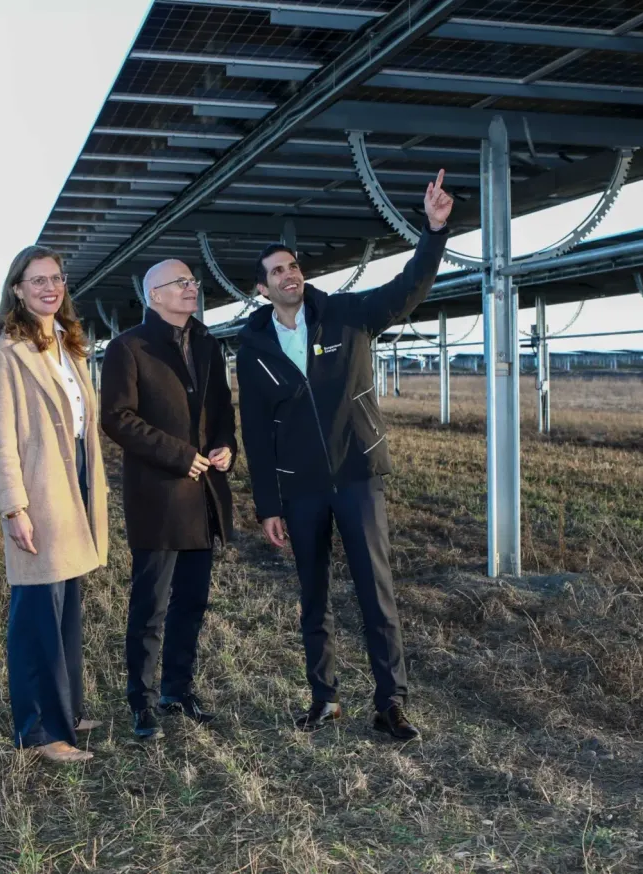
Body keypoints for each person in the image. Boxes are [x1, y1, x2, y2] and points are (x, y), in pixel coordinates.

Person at [236, 170, 455, 740]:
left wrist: (434, 230)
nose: (291, 274)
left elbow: (409, 288)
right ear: (262, 288)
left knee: (375, 591)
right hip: (300, 488)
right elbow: (255, 431)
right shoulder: (253, 345)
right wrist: (267, 505)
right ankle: (324, 699)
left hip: (357, 476)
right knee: (314, 597)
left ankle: (391, 703)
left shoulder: (347, 315)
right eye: (278, 271)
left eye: (294, 265)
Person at [0, 245, 108, 764]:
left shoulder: (70, 345)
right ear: (17, 289)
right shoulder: (3, 351)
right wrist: (14, 507)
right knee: (36, 608)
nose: (49, 288)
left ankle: (68, 712)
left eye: (55, 279)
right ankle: (40, 732)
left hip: (74, 477)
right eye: (37, 281)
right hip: (40, 486)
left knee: (66, 604)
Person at [100, 260, 236, 741]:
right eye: (181, 283)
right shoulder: (128, 348)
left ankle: (177, 689)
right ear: (154, 294)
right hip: (159, 496)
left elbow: (222, 411)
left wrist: (225, 446)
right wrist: (181, 456)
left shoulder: (207, 344)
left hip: (203, 497)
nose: (191, 289)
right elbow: (117, 418)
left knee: (192, 602)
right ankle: (142, 700)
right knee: (151, 606)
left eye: (193, 283)